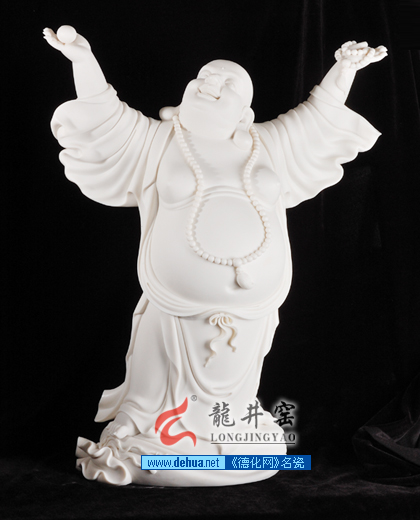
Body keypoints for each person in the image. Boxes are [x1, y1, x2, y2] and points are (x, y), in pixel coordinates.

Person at [44, 27, 387, 486]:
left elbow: (317, 120)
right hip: (174, 307)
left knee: (235, 398)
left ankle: (228, 437)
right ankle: (157, 436)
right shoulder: (157, 140)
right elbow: (105, 118)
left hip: (254, 310)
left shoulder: (268, 142)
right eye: (204, 76)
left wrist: (344, 70)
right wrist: (82, 60)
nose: (211, 82)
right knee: (162, 388)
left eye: (228, 83)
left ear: (245, 113)